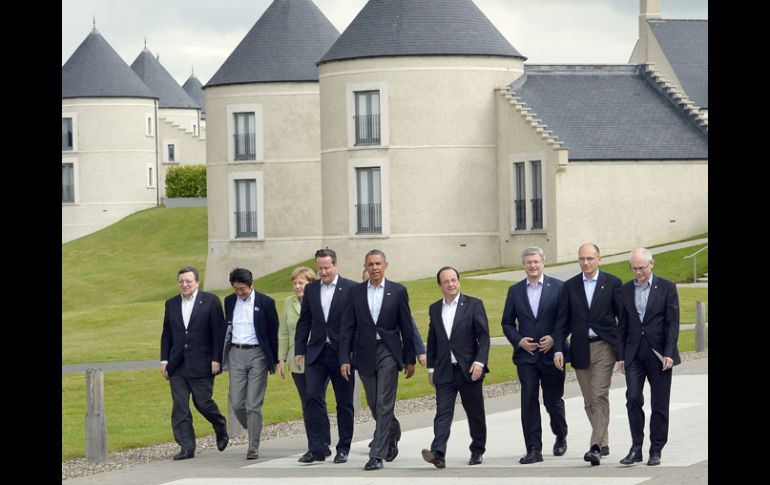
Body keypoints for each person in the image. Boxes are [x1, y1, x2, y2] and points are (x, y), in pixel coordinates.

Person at [340, 249, 416, 471]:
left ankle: (376, 455)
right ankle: (392, 431)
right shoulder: (355, 293)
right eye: (370, 264)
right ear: (365, 267)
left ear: (385, 265)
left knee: (384, 402)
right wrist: (344, 358)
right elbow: (347, 328)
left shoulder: (398, 291)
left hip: (388, 351)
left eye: (378, 263)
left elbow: (406, 327)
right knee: (374, 403)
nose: (374, 268)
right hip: (364, 353)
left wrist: (409, 358)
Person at [553, 243, 622, 466]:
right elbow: (562, 322)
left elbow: (622, 320)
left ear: (599, 259)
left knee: (599, 394)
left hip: (604, 347)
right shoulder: (570, 286)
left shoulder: (612, 283)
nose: (586, 263)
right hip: (580, 348)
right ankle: (604, 441)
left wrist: (621, 353)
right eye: (582, 258)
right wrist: (558, 349)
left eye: (590, 258)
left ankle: (595, 446)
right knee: (589, 400)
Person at [501, 247, 568, 464]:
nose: (533, 265)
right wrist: (519, 340)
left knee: (552, 401)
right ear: (523, 265)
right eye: (528, 262)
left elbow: (566, 319)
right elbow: (507, 323)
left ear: (543, 263)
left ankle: (561, 433)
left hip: (552, 356)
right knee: (529, 399)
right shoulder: (515, 291)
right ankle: (533, 449)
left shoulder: (559, 288)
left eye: (536, 261)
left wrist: (554, 339)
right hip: (526, 357)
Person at [617, 248, 681, 467]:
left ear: (651, 264)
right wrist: (620, 356)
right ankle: (636, 448)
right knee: (633, 398)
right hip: (634, 354)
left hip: (659, 354)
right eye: (634, 268)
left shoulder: (667, 287)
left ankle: (656, 449)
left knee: (659, 403)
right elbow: (622, 325)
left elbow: (673, 323)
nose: (638, 272)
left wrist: (669, 353)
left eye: (642, 268)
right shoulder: (626, 290)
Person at [421, 266, 490, 469]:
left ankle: (477, 450)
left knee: (475, 413)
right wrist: (431, 368)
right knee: (442, 413)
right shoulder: (435, 308)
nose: (451, 284)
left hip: (469, 370)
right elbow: (433, 340)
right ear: (440, 285)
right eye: (446, 281)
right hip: (444, 371)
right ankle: (438, 453)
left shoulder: (474, 304)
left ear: (459, 282)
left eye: (453, 280)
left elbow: (484, 337)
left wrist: (479, 362)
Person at [294, 249, 357, 464]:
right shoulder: (311, 289)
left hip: (342, 355)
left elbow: (357, 324)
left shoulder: (351, 288)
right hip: (317, 353)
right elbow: (304, 321)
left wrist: (350, 354)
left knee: (344, 402)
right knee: (312, 396)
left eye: (326, 268)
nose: (323, 272)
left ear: (335, 265)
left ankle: (343, 448)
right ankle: (317, 448)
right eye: (319, 268)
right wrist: (299, 350)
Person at [160, 266, 229, 460]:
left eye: (188, 281)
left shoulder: (211, 301)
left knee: (203, 403)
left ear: (197, 283)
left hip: (203, 362)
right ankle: (186, 446)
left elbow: (218, 333)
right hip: (177, 364)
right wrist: (164, 360)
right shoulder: (171, 303)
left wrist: (217, 359)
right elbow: (167, 334)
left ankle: (220, 425)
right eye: (181, 281)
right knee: (180, 406)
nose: (184, 284)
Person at [221, 267, 279, 460]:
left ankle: (253, 445)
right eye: (236, 289)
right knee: (237, 403)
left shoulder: (266, 302)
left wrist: (275, 360)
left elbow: (273, 332)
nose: (239, 293)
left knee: (253, 403)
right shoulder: (229, 301)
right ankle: (254, 426)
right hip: (236, 354)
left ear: (251, 285)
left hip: (258, 355)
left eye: (242, 289)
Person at [277, 267, 332, 460]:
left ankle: (319, 445)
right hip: (297, 360)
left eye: (301, 283)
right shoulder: (288, 302)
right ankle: (319, 444)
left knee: (315, 398)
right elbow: (284, 333)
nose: (297, 286)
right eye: (295, 283)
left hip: (318, 358)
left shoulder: (319, 300)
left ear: (311, 284)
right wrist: (281, 359)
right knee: (308, 402)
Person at [363, 269, 427, 367]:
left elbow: (408, 325)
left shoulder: (392, 298)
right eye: (368, 280)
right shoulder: (357, 299)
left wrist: (420, 351)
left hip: (388, 349)